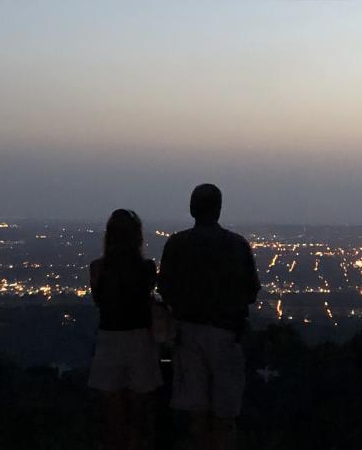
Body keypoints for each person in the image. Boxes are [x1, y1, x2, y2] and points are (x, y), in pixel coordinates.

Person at [158, 184, 261, 450]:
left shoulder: (177, 244)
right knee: (225, 415)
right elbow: (251, 291)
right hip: (226, 334)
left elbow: (165, 290)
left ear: (192, 209)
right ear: (219, 209)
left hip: (187, 334)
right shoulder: (237, 245)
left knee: (197, 414)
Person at [88, 208, 161, 449]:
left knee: (113, 416)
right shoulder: (147, 269)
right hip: (140, 340)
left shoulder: (98, 268)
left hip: (109, 339)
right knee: (139, 415)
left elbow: (100, 301)